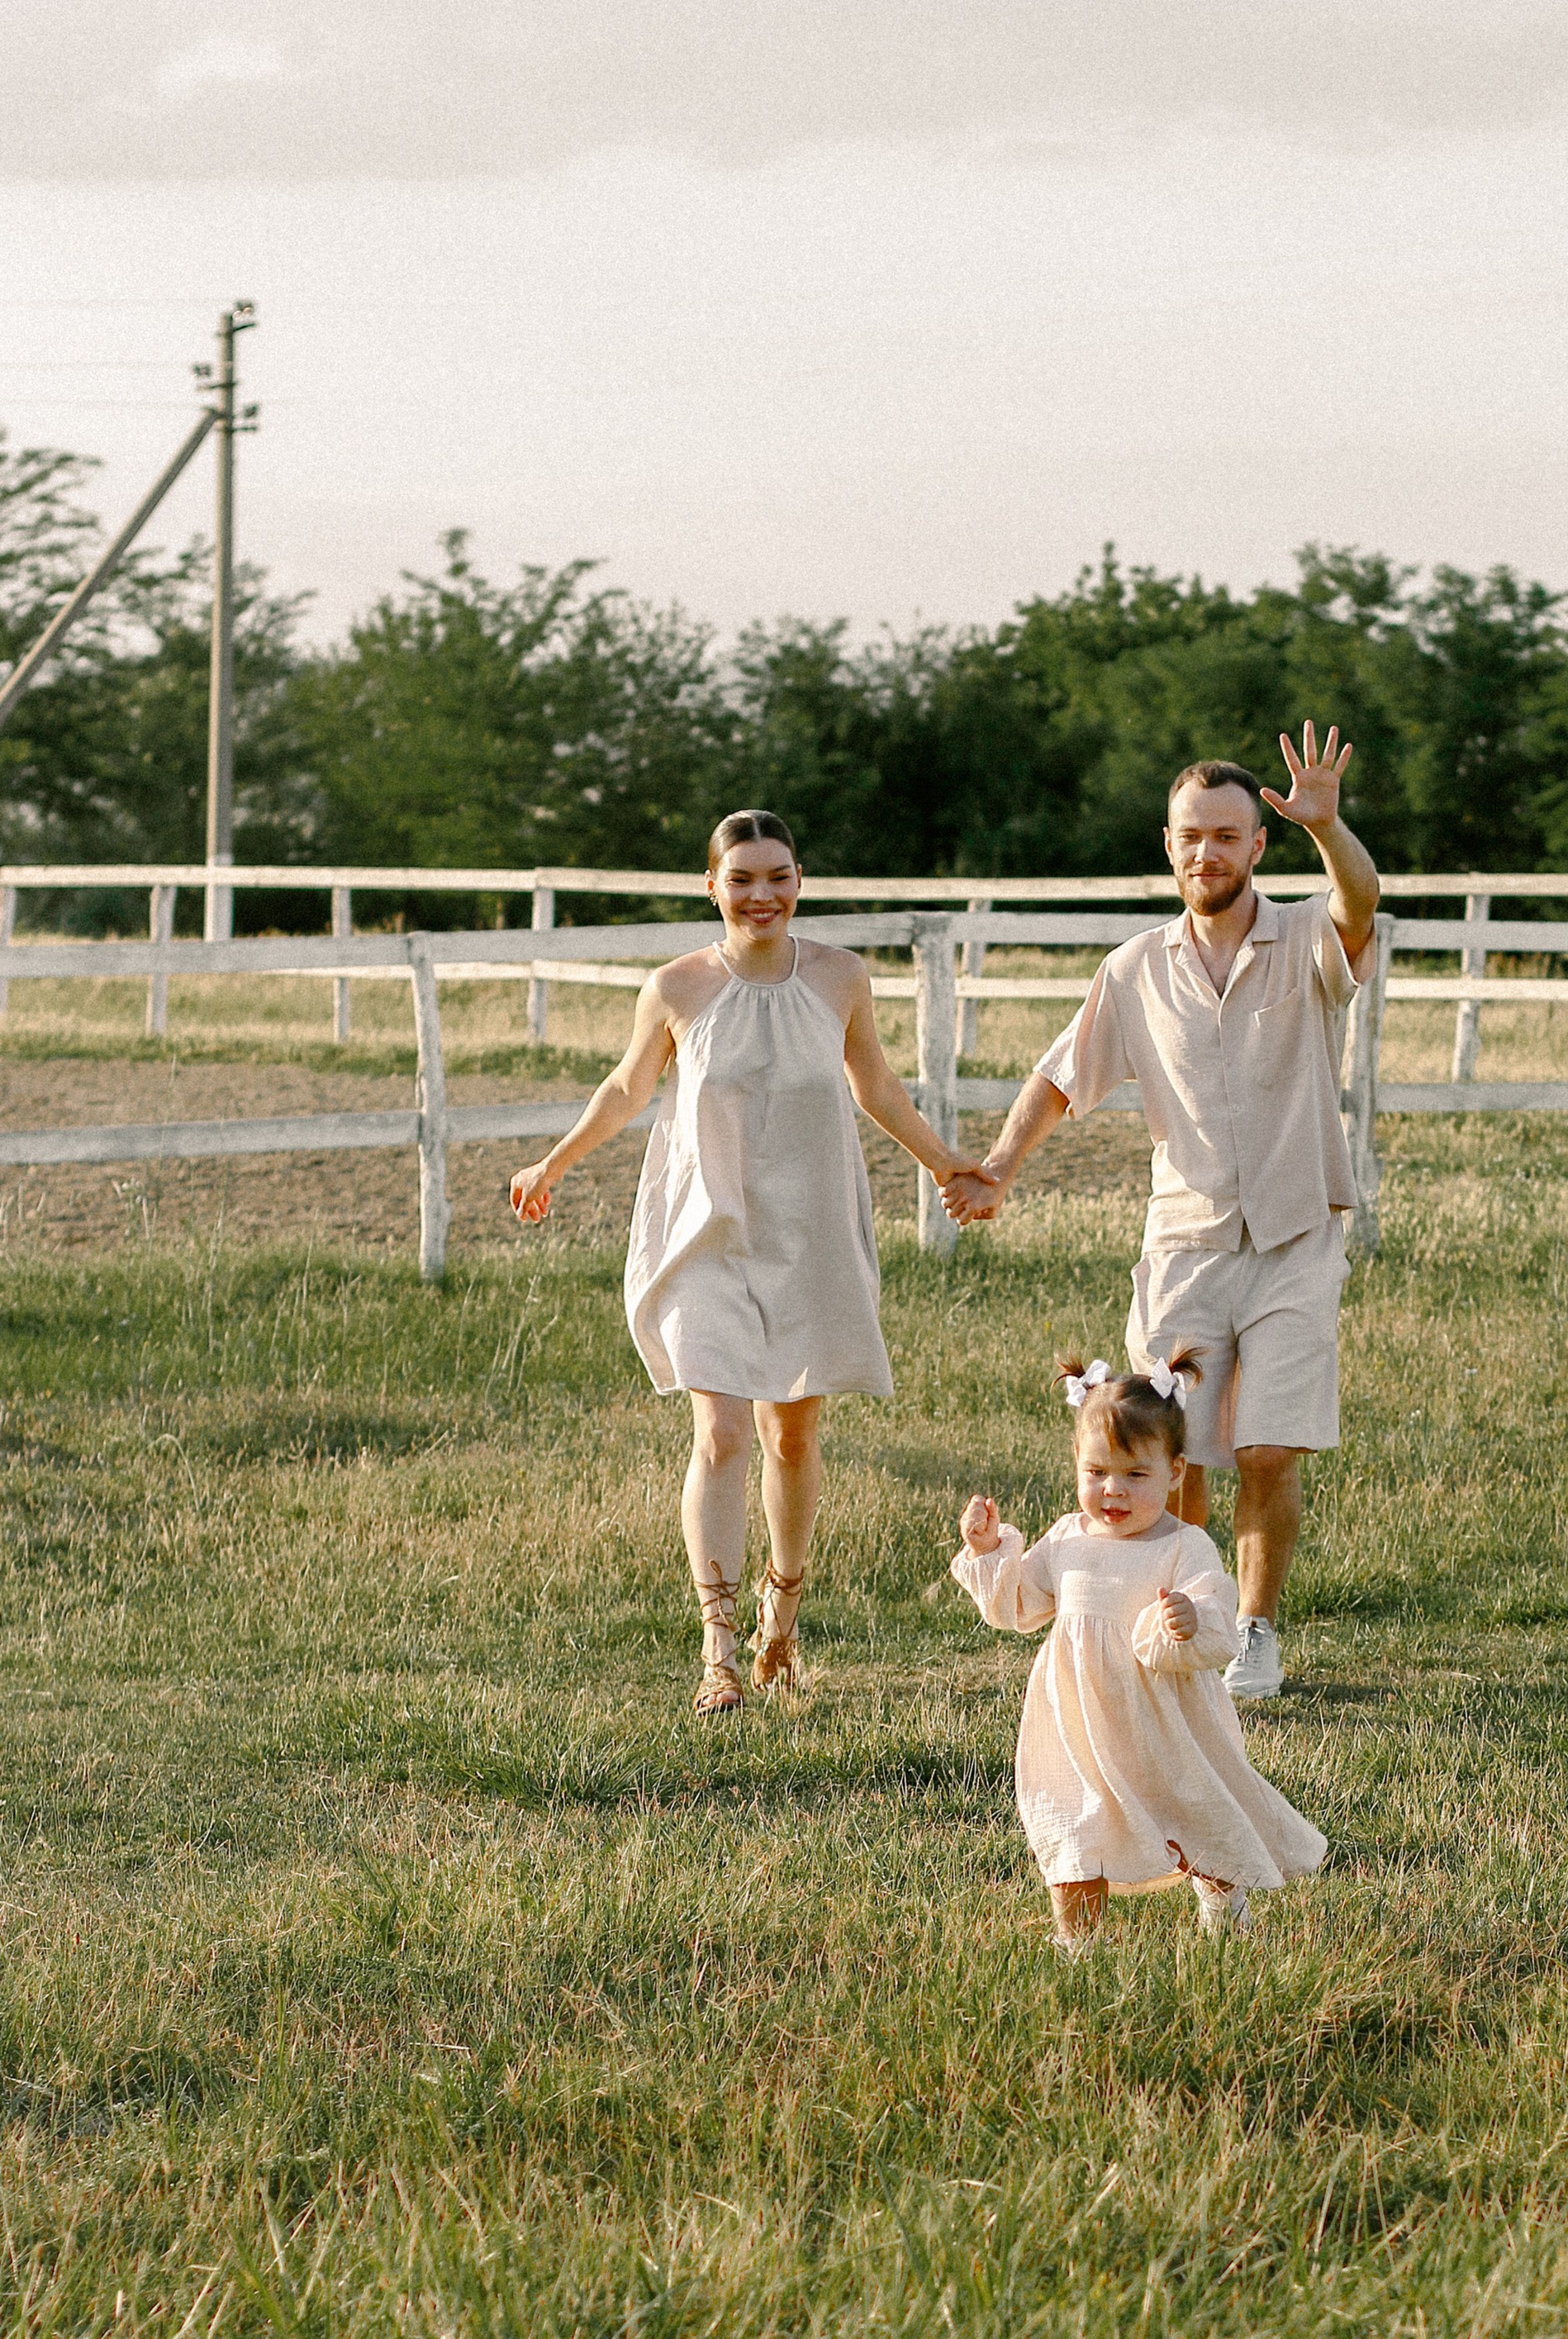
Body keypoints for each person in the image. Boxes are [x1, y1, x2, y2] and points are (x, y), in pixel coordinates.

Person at [509, 810, 992, 1717]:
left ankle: (784, 1614)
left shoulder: (842, 978)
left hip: (807, 1229)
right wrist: (554, 1162)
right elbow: (625, 1089)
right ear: (713, 888)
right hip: (706, 1230)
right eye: (743, 879)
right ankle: (717, 1652)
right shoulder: (678, 988)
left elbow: (875, 1085)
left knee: (791, 1435)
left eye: (778, 877)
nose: (761, 895)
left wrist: (946, 1162)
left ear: (799, 880)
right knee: (723, 1432)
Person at [944, 724, 1380, 1701]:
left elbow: (1360, 903)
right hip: (1184, 1242)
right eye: (1190, 836)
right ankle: (1160, 1626)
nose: (1206, 853)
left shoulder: (1305, 936)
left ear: (1256, 846)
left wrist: (1328, 827)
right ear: (1168, 844)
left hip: (1297, 1234)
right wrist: (1001, 1167)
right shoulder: (1135, 968)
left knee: (1269, 1448)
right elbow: (1061, 1077)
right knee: (1166, 1460)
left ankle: (1252, 1635)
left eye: (1226, 835)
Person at [951, 1354, 1327, 1954]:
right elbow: (1019, 1606)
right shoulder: (1068, 1539)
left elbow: (1213, 1612)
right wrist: (992, 1548)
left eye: (1135, 1475)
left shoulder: (1183, 1546)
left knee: (1197, 1810)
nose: (1113, 1491)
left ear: (1176, 1472)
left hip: (1165, 1722)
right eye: (1097, 1471)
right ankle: (1080, 1942)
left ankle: (1224, 1905)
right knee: (1073, 1823)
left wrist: (1187, 1617)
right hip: (1077, 1723)